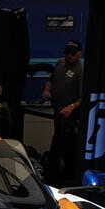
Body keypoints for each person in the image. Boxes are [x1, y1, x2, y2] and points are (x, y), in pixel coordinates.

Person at [42, 39, 85, 186]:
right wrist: (47, 90)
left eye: (72, 54)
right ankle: (53, 177)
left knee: (67, 148)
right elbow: (51, 80)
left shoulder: (81, 70)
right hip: (57, 111)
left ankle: (68, 179)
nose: (69, 56)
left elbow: (84, 97)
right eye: (67, 53)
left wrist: (71, 107)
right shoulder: (60, 63)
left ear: (79, 54)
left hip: (71, 115)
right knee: (57, 144)